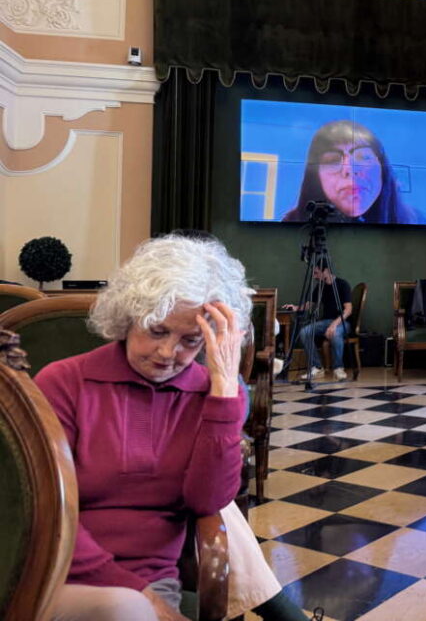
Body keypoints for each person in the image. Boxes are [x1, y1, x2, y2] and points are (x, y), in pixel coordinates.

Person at [34, 235, 308, 621]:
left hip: (154, 578)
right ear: (129, 317)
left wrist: (223, 389)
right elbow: (46, 512)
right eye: (157, 331)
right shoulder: (64, 382)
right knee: (125, 609)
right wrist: (139, 595)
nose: (167, 353)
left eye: (190, 340)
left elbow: (207, 501)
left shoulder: (213, 396)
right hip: (56, 571)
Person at [281, 119, 426, 224]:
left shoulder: (415, 221)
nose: (349, 170)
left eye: (363, 157)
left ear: (382, 169)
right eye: (333, 160)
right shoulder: (293, 223)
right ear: (316, 177)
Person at [287, 264, 352, 381]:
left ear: (326, 270)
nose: (314, 276)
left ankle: (338, 368)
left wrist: (334, 325)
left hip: (342, 322)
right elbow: (309, 304)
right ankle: (317, 367)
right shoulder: (320, 287)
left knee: (335, 333)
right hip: (325, 322)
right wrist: (296, 307)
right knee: (304, 332)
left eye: (316, 273)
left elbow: (348, 310)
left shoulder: (343, 284)